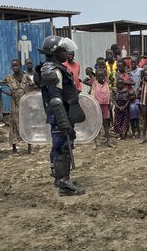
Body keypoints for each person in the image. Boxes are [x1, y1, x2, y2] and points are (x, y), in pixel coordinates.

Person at [35, 36, 85, 196]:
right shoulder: (53, 70)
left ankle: (60, 178)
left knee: (59, 146)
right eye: (63, 50)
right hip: (60, 114)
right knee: (64, 146)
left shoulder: (52, 67)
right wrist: (64, 123)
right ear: (55, 52)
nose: (67, 53)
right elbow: (56, 100)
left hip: (61, 112)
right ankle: (64, 183)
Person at [0, 59, 34, 155]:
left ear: (20, 66)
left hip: (25, 105)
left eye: (17, 65)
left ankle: (29, 147)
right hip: (14, 105)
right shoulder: (9, 78)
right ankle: (14, 149)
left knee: (27, 124)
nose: (15, 67)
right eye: (13, 66)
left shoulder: (26, 77)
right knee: (14, 125)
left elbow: (33, 86)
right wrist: (7, 92)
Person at [83, 69, 114, 148]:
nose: (101, 77)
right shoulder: (94, 84)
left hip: (105, 106)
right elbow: (85, 80)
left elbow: (109, 94)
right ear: (96, 77)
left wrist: (110, 103)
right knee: (96, 124)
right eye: (99, 75)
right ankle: (94, 141)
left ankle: (109, 141)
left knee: (105, 124)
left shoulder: (106, 83)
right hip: (96, 106)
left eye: (102, 75)